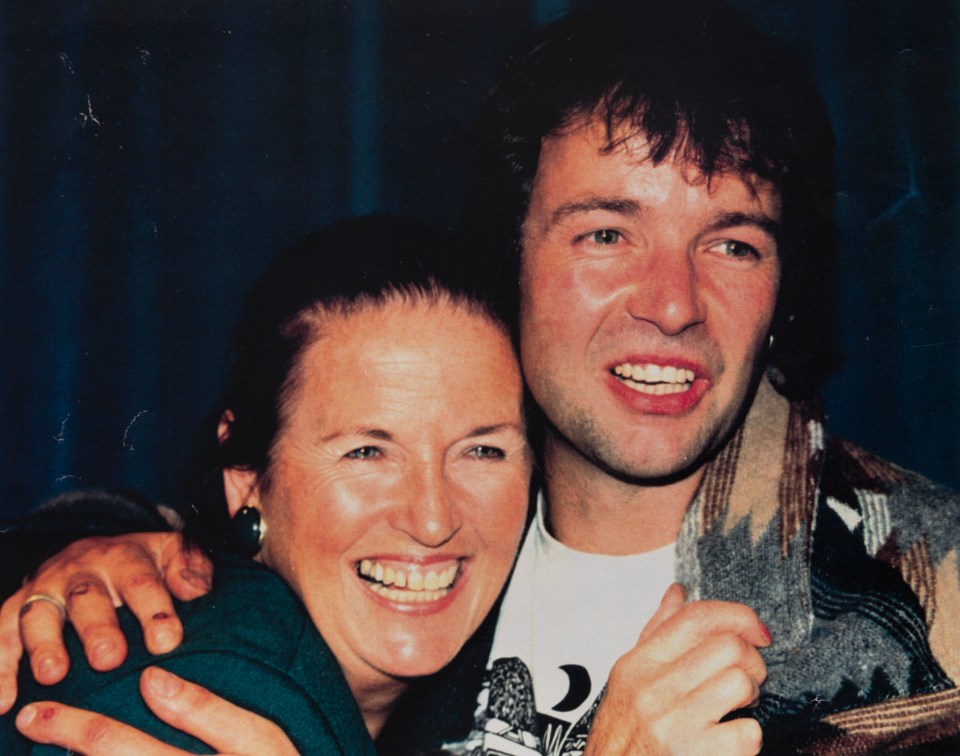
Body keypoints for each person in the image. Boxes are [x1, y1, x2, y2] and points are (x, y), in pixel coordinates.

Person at [4, 0, 960, 753]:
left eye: (734, 245)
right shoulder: (421, 584)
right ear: (512, 259)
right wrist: (93, 548)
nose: (673, 302)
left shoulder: (930, 600)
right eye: (605, 232)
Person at [0, 215, 536, 753]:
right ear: (247, 476)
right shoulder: (198, 707)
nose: (434, 519)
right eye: (367, 452)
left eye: (482, 451)